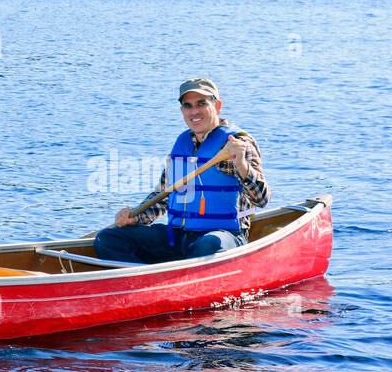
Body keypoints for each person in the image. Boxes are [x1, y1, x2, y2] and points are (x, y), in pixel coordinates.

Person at [93, 77, 269, 264]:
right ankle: (142, 282)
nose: (194, 112)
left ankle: (178, 280)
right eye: (188, 105)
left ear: (217, 106)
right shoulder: (182, 144)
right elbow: (164, 196)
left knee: (209, 244)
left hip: (223, 236)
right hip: (177, 236)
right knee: (108, 238)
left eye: (201, 104)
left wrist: (242, 165)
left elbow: (262, 199)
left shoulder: (236, 143)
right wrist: (136, 217)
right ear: (182, 110)